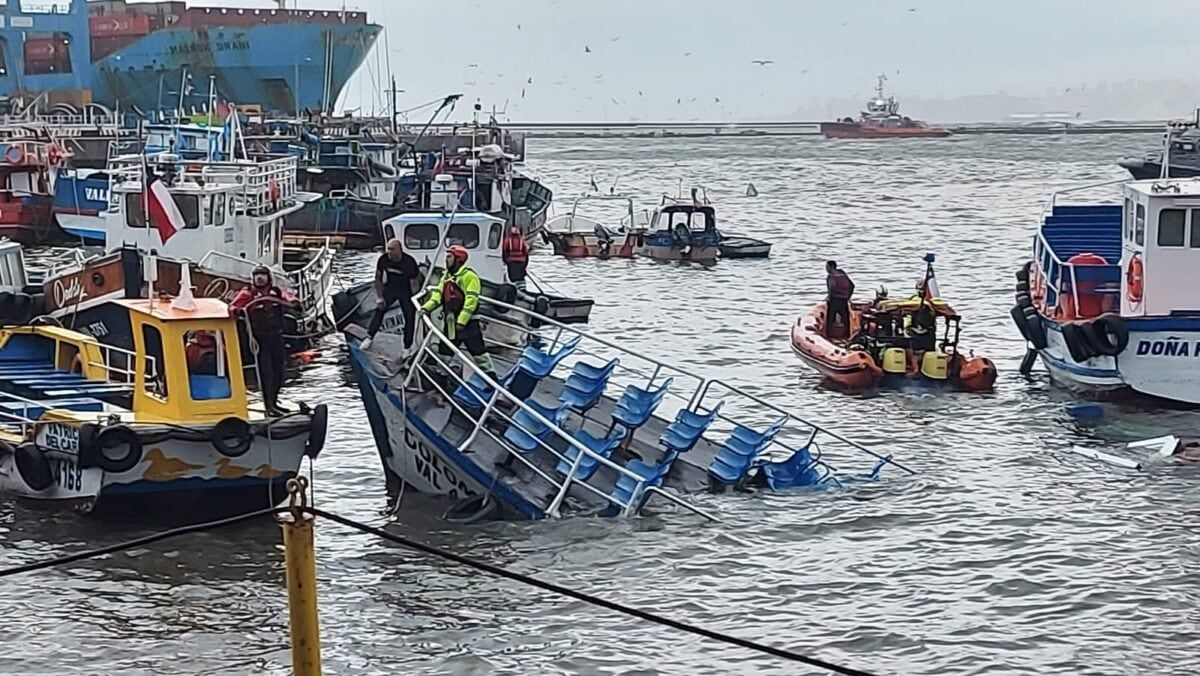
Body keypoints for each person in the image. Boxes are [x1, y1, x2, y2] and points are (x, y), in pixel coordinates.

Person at [421, 245, 496, 380]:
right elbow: (438, 294)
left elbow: (471, 301)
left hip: (468, 322)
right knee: (446, 349)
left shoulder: (469, 276)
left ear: (458, 259)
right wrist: (426, 307)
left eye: (449, 257)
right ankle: (442, 376)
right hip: (450, 320)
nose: (446, 260)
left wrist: (462, 321)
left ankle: (491, 378)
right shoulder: (447, 276)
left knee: (478, 351)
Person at [230, 265, 294, 417]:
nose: (259, 277)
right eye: (257, 275)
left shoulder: (276, 292)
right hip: (259, 339)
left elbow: (289, 298)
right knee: (267, 372)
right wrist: (237, 311)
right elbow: (232, 307)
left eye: (262, 275)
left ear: (268, 277)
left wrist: (295, 303)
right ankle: (268, 405)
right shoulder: (247, 294)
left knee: (279, 371)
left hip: (276, 337)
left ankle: (275, 400)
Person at [361, 238, 420, 352]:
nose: (389, 252)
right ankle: (369, 337)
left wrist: (415, 301)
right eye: (388, 249)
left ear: (399, 250)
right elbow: (377, 279)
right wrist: (380, 297)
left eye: (392, 249)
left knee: (409, 316)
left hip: (406, 290)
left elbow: (414, 284)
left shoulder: (409, 262)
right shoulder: (383, 259)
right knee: (380, 309)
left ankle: (407, 347)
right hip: (391, 288)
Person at [825, 260, 855, 338]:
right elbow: (852, 285)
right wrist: (848, 297)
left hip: (835, 299)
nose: (826, 269)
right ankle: (847, 336)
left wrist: (829, 298)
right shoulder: (843, 274)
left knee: (830, 319)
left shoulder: (831, 276)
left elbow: (832, 287)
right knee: (845, 319)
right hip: (844, 299)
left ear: (830, 267)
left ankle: (828, 336)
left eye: (827, 267)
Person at [501, 225, 530, 291]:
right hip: (522, 262)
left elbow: (504, 251)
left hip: (511, 262)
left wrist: (506, 261)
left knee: (513, 278)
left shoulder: (507, 240)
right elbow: (526, 252)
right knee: (521, 278)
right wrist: (525, 264)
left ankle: (516, 290)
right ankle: (523, 290)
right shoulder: (522, 241)